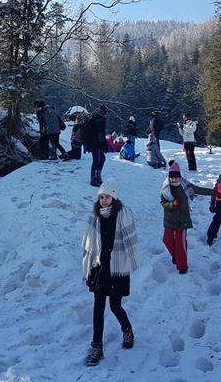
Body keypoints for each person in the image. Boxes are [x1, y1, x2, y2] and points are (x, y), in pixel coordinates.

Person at [81, 180, 139, 367]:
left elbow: (131, 239)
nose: (104, 200)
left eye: (107, 197)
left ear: (114, 197)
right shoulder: (94, 216)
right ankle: (97, 346)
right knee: (98, 308)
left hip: (117, 268)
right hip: (100, 267)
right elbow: (88, 242)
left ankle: (127, 329)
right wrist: (88, 266)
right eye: (101, 197)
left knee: (115, 306)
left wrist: (131, 260)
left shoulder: (123, 214)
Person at [160, 161, 214, 274]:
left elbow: (198, 189)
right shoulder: (165, 188)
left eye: (176, 178)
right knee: (167, 240)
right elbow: (163, 203)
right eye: (172, 178)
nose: (174, 180)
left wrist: (214, 192)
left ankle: (182, 266)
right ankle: (176, 256)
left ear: (180, 177)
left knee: (181, 242)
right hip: (169, 219)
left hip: (182, 219)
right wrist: (172, 204)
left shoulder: (186, 185)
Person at [84, 105, 108, 186]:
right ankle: (94, 178)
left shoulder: (94, 118)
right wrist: (104, 145)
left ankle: (97, 177)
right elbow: (100, 134)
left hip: (92, 142)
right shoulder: (100, 120)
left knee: (101, 159)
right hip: (96, 143)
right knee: (97, 160)